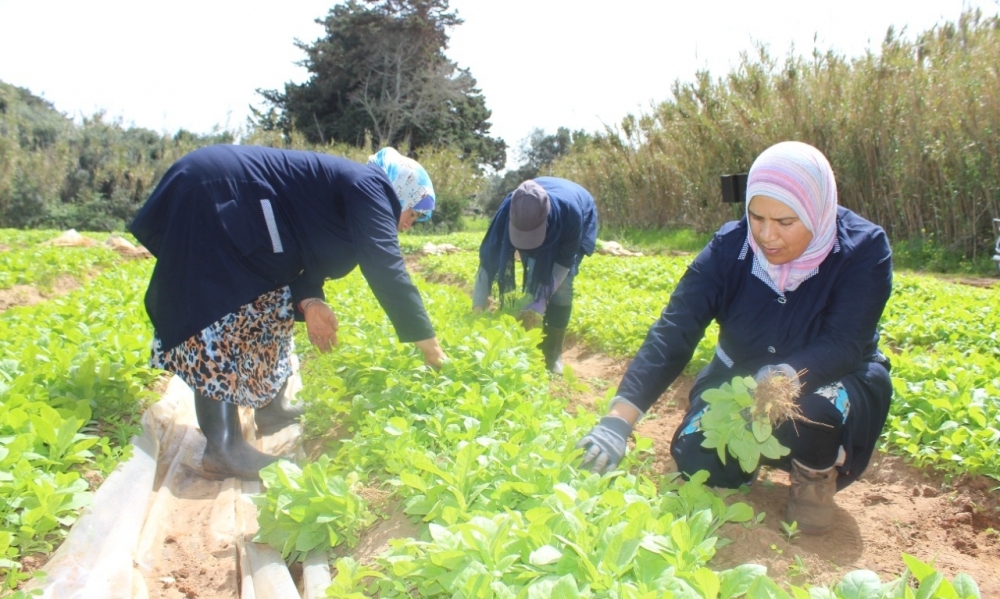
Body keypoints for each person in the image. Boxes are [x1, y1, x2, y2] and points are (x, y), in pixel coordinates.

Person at [575, 141, 893, 535]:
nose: (766, 235)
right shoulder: (730, 247)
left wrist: (784, 376)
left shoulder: (862, 249)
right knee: (698, 460)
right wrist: (618, 420)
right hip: (738, 376)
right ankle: (746, 465)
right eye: (756, 217)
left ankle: (814, 476)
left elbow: (845, 343)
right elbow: (677, 327)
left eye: (785, 222)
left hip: (827, 377)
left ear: (818, 210)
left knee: (815, 410)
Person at [130, 145, 446, 480]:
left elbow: (304, 251)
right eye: (412, 215)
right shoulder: (371, 186)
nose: (408, 226)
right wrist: (430, 347)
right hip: (215, 192)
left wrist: (311, 302)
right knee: (223, 308)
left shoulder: (354, 192)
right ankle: (223, 448)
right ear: (401, 192)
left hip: (239, 205)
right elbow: (386, 267)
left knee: (272, 300)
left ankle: (271, 409)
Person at [472, 177, 598, 373]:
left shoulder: (571, 212)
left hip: (575, 214)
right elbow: (488, 261)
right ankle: (532, 343)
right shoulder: (508, 210)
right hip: (536, 212)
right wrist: (477, 308)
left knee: (562, 287)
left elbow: (564, 263)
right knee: (534, 276)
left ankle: (553, 351)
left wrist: (540, 301)